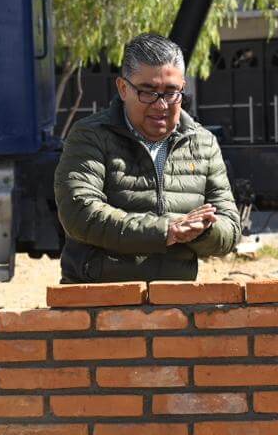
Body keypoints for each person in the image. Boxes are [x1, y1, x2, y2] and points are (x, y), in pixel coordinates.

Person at [54, 32, 241, 282]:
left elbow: (231, 228)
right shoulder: (90, 136)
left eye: (171, 92)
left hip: (175, 297)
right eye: (148, 92)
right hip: (99, 294)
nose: (160, 105)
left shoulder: (202, 143)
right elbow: (79, 213)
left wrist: (202, 231)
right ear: (123, 88)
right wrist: (166, 231)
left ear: (183, 88)